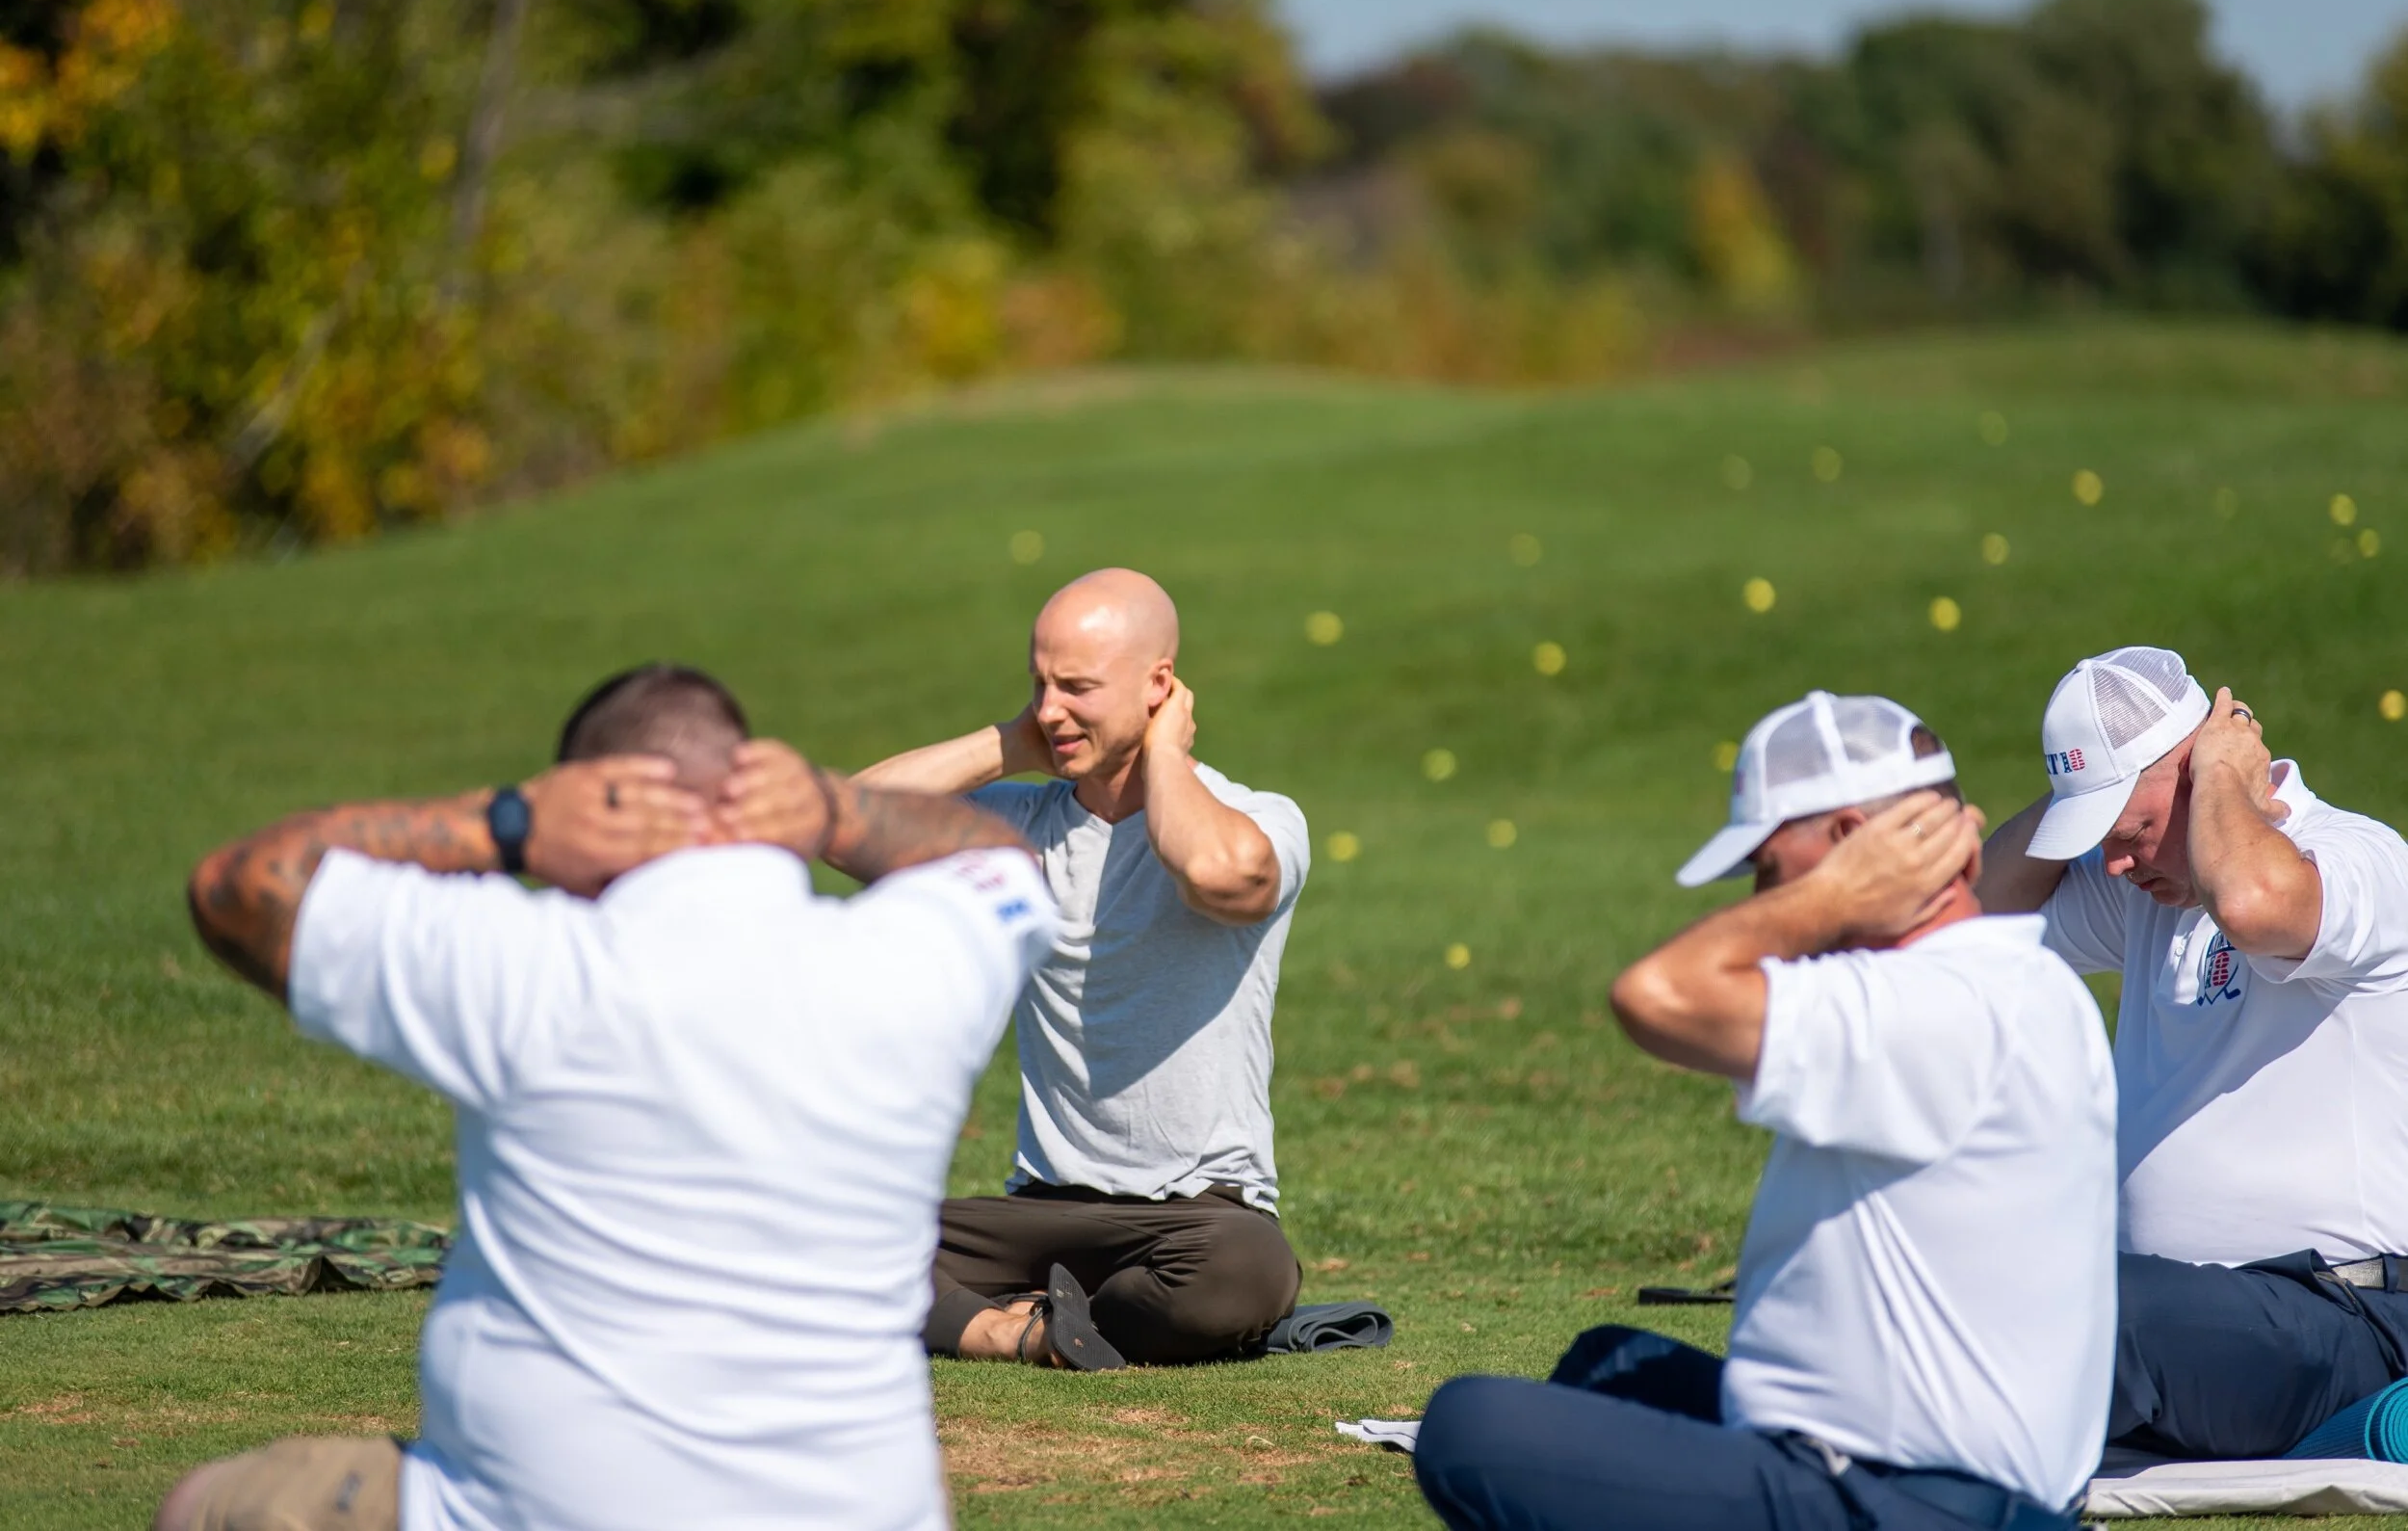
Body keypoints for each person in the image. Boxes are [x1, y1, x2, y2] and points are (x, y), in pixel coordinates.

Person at [158, 664, 1060, 1531]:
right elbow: (1007, 864)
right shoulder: (908, 964)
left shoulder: (528, 967)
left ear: (589, 807)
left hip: (524, 1513)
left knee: (207, 1503)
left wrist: (507, 822)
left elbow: (238, 887)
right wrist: (833, 807)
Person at [1414, 691, 2117, 1531]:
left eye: (1771, 867)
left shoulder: (1933, 1003)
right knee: (1607, 1363)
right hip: (1936, 1487)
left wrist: (1833, 898)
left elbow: (1656, 995)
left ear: (1857, 843)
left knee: (1469, 1428)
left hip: (1905, 1501)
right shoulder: (2021, 976)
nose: (1761, 899)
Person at [851, 568, 1308, 1369]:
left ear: (1159, 686)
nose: (1051, 707)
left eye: (1077, 688)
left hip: (1197, 1217)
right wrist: (1014, 742)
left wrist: (1163, 754)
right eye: (1040, 684)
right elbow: (843, 821)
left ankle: (1069, 1314)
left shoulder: (1259, 819)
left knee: (1246, 1272)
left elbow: (1216, 875)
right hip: (1042, 1213)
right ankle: (1016, 1332)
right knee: (832, 1230)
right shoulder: (1017, 831)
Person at [1978, 645, 2408, 1460]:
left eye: (2133, 831)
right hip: (2194, 1326)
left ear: (2202, 767)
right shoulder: (2146, 893)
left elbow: (2251, 904)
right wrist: (2086, 793)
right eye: (2100, 836)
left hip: (2342, 1318)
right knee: (1975, 1272)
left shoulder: (2358, 857)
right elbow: (1971, 920)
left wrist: (2220, 773)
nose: (2114, 862)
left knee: (2078, 1305)